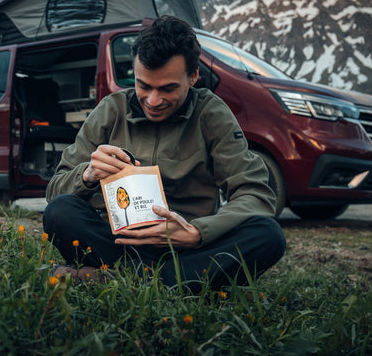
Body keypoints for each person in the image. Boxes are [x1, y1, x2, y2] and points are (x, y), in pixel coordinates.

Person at [43, 16, 286, 292]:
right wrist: (87, 175)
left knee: (268, 236)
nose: (153, 101)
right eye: (143, 85)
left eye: (168, 88)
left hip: (187, 249)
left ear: (193, 76)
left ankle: (116, 279)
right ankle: (172, 283)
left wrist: (198, 233)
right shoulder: (111, 110)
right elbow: (55, 191)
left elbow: (256, 194)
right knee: (60, 212)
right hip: (117, 243)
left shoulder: (212, 113)